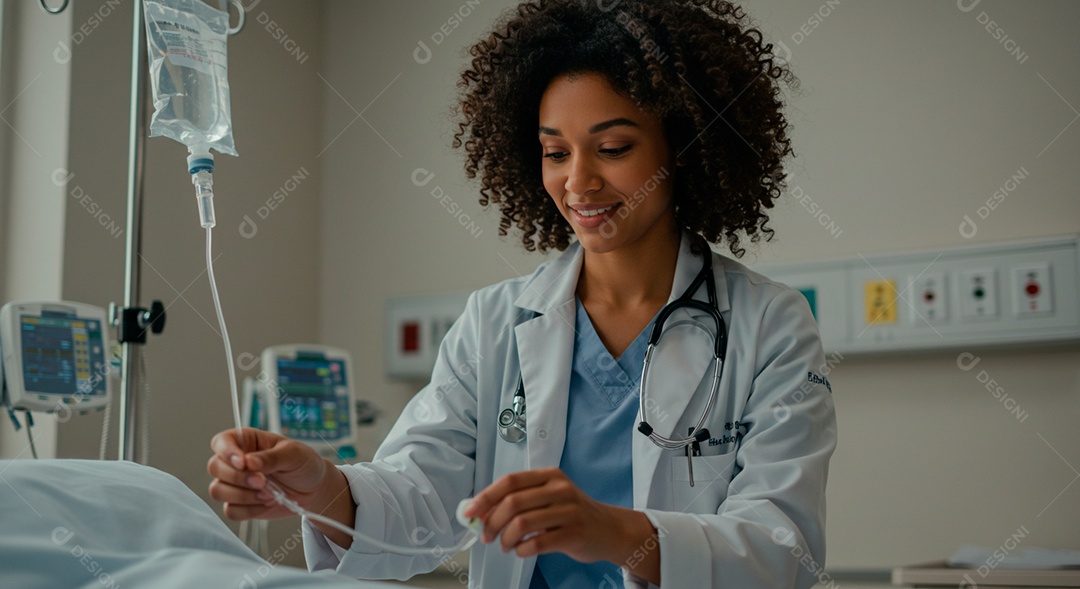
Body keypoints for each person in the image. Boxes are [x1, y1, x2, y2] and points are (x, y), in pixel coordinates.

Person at [207, 1, 837, 587]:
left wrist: (613, 533)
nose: (578, 181)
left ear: (686, 147)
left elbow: (781, 548)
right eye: (554, 152)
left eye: (613, 148)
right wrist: (321, 487)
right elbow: (422, 494)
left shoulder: (768, 325)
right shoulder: (495, 322)